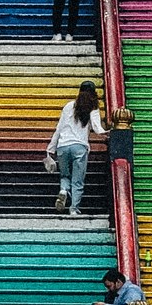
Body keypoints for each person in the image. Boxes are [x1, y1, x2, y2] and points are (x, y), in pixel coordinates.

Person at [48, 80, 106, 215]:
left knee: (65, 175)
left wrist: (51, 148)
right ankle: (73, 208)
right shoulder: (93, 107)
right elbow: (98, 129)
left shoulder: (68, 106)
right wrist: (108, 133)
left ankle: (63, 191)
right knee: (77, 180)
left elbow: (59, 128)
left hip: (62, 146)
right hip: (79, 147)